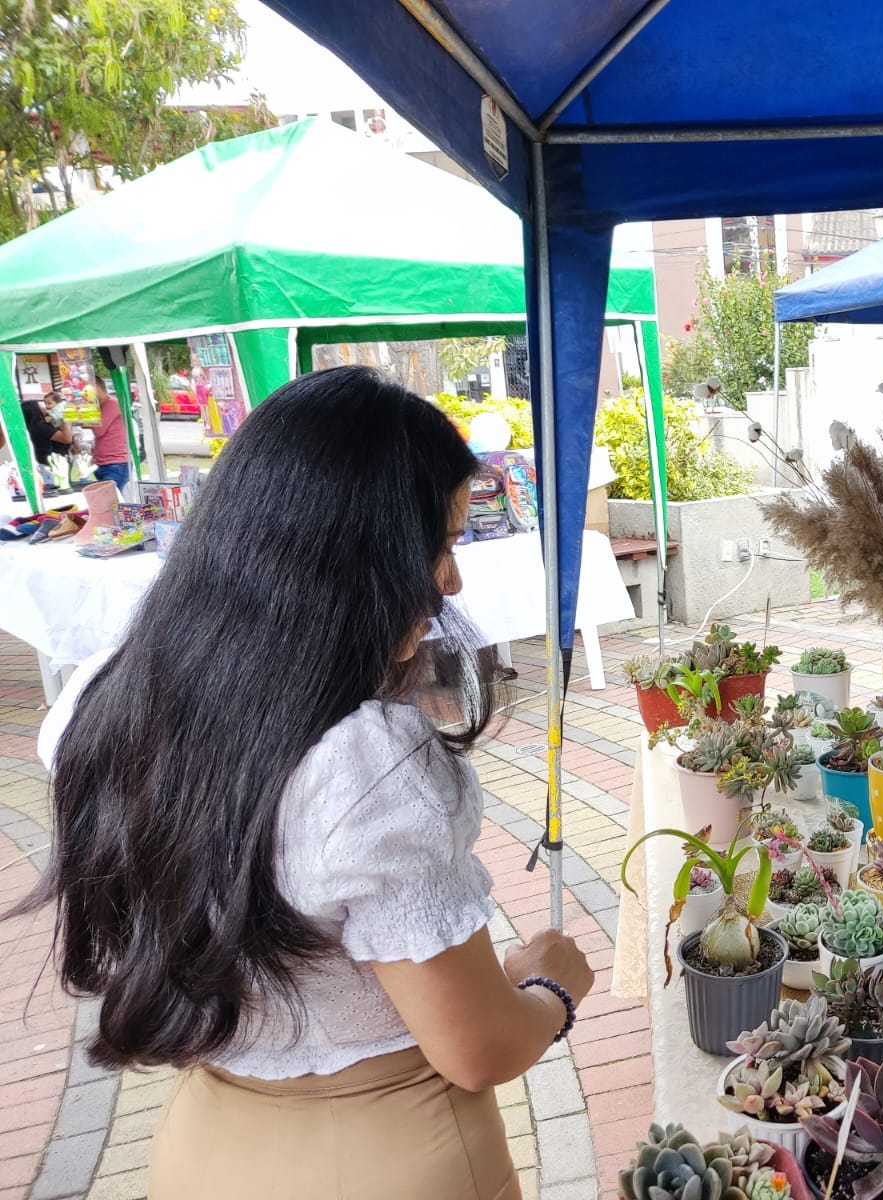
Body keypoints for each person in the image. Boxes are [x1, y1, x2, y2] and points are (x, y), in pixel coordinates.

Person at [13, 367, 596, 1199]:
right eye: (439, 544)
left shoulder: (108, 696)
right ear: (353, 557)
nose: (451, 582)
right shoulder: (359, 766)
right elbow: (477, 1050)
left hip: (202, 1141)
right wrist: (548, 986)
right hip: (382, 1152)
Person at [80, 376, 133, 495]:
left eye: (86, 391)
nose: (84, 395)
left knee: (110, 502)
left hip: (116, 464)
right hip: (102, 463)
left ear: (96, 388)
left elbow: (99, 430)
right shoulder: (100, 407)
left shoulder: (112, 404)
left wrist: (86, 416)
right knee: (106, 502)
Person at [21, 391, 73, 488]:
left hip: (43, 463)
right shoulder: (40, 427)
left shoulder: (30, 428)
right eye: (40, 406)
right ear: (35, 411)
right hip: (52, 467)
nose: (44, 407)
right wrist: (67, 418)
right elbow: (67, 438)